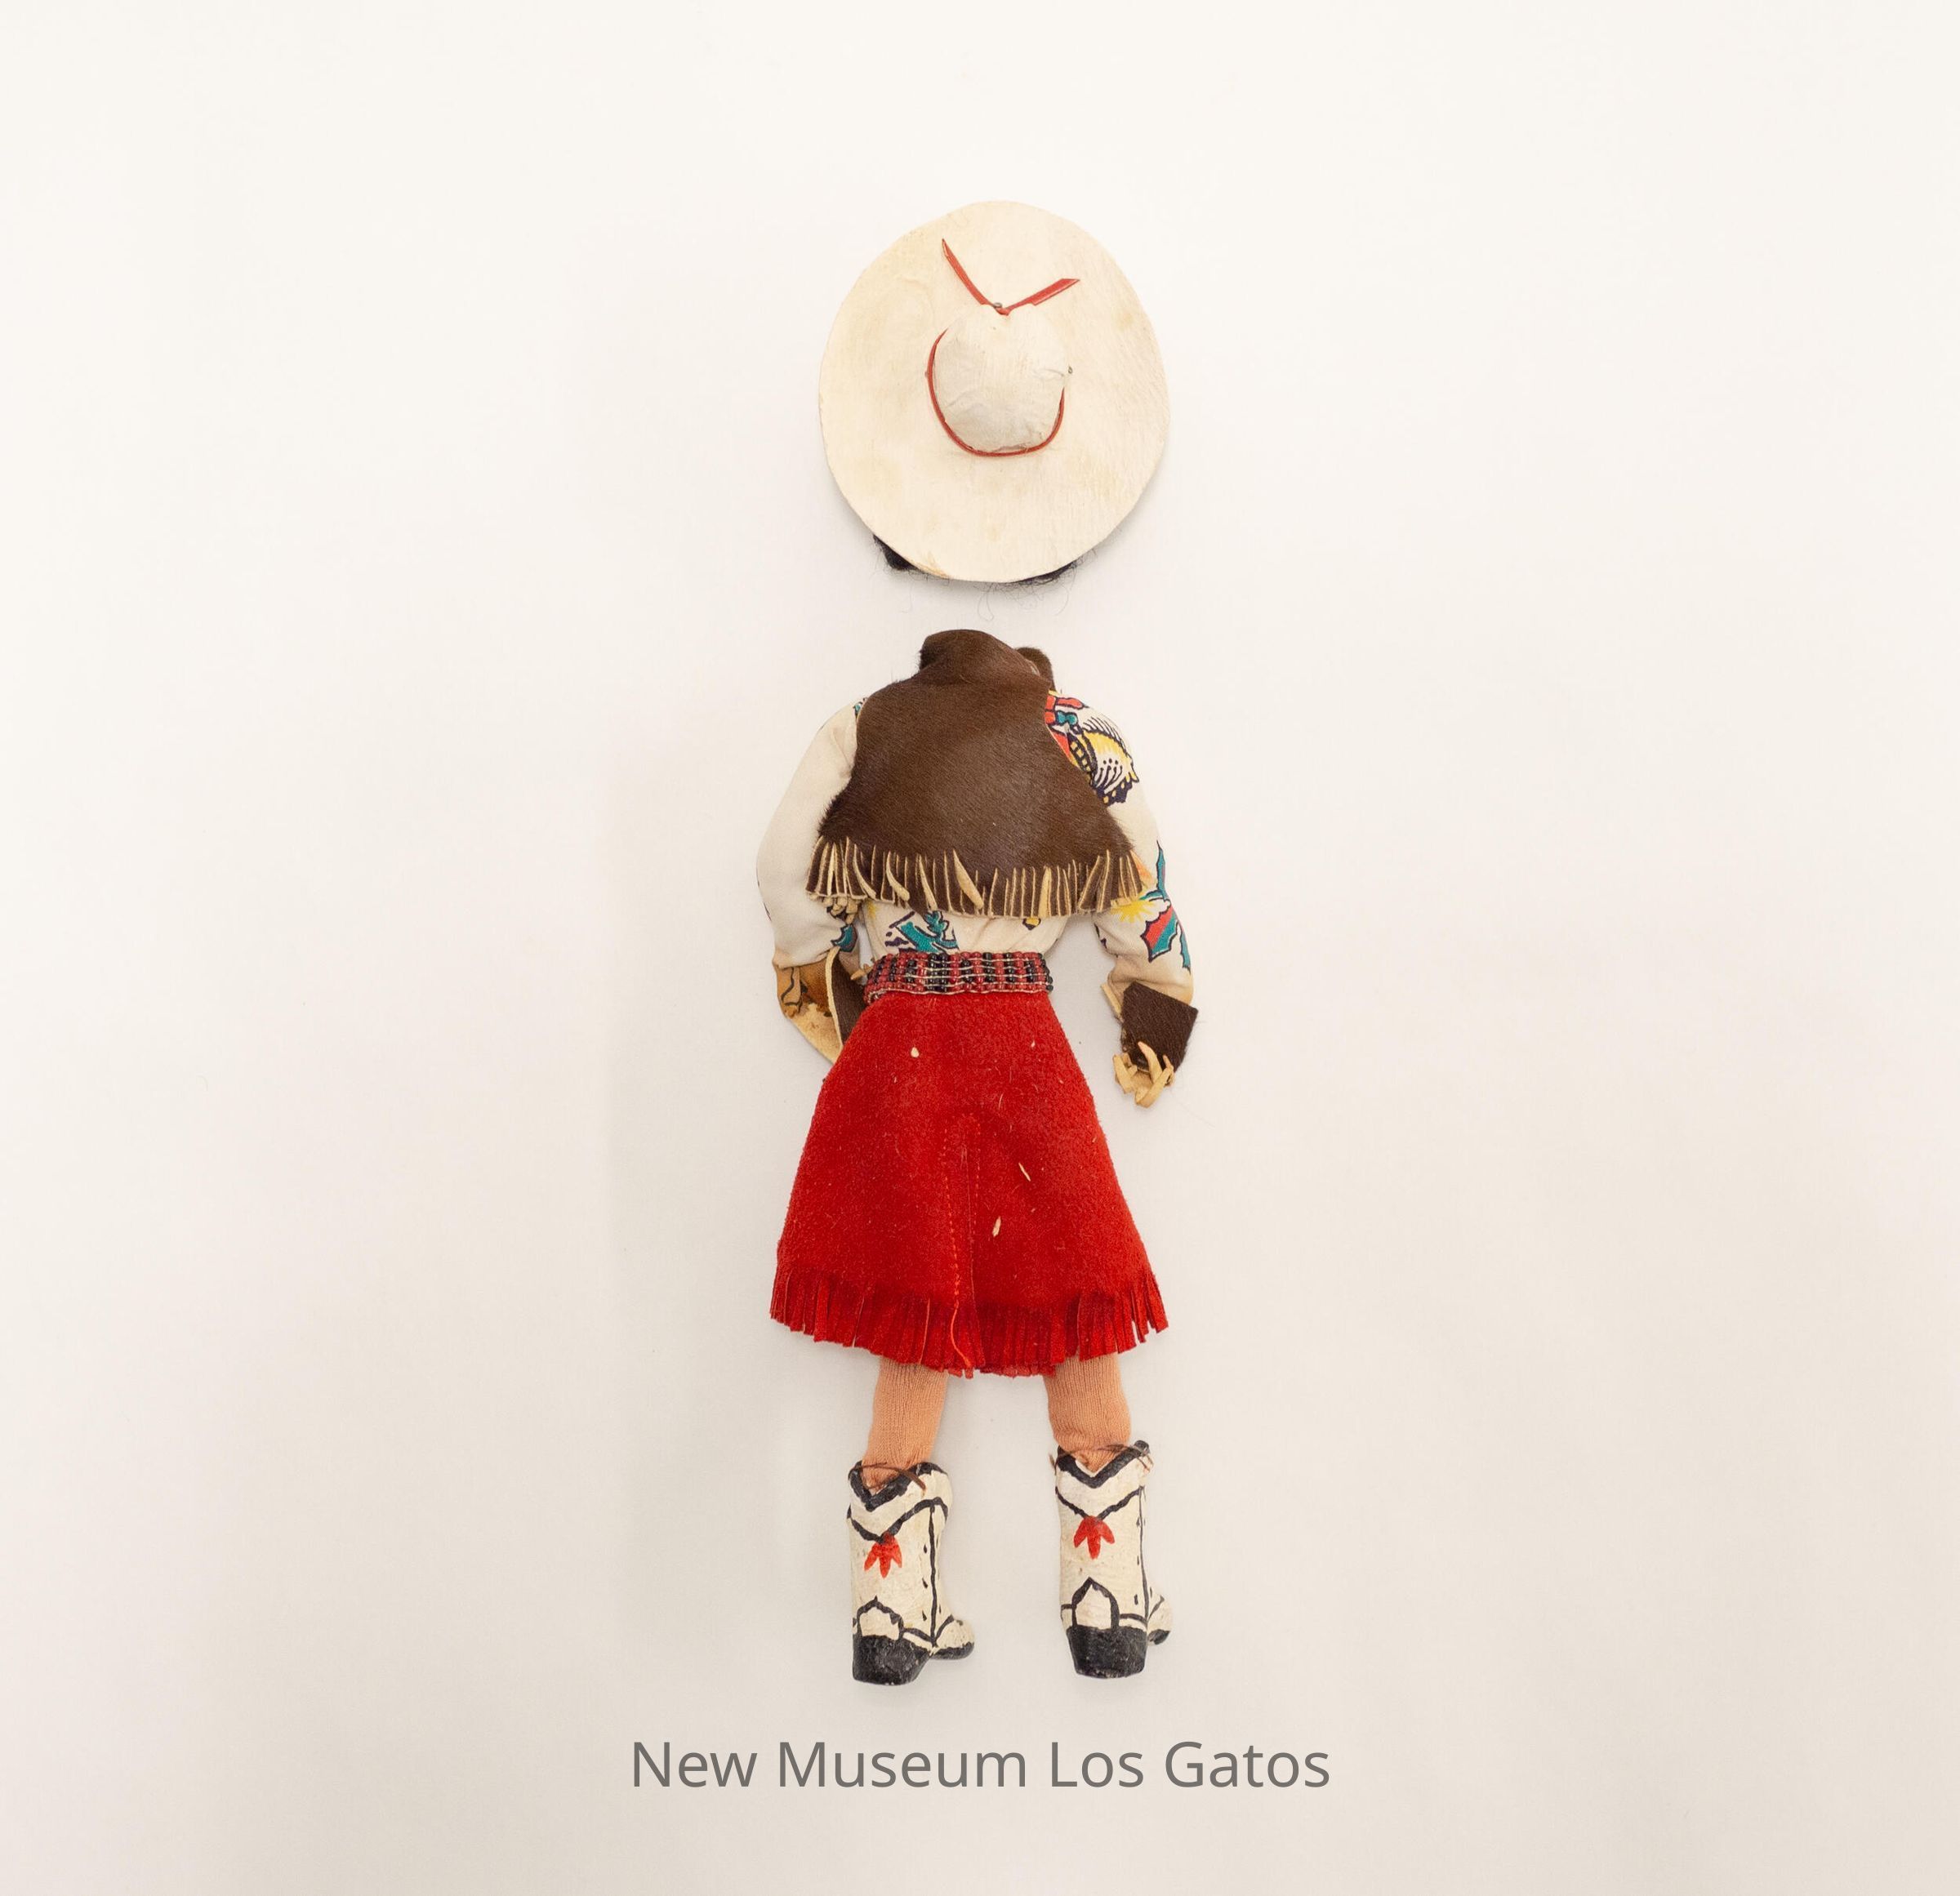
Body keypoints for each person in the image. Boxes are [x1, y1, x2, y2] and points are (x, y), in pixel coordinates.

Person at [758, 627, 1197, 1682]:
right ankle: (1106, 1596)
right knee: (1075, 1288)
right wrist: (1157, 1000)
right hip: (1019, 1043)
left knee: (914, 1305)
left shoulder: (866, 724)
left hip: (901, 1039)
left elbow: (784, 869)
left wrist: (830, 969)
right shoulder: (1073, 730)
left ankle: (888, 1610)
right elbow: (1138, 880)